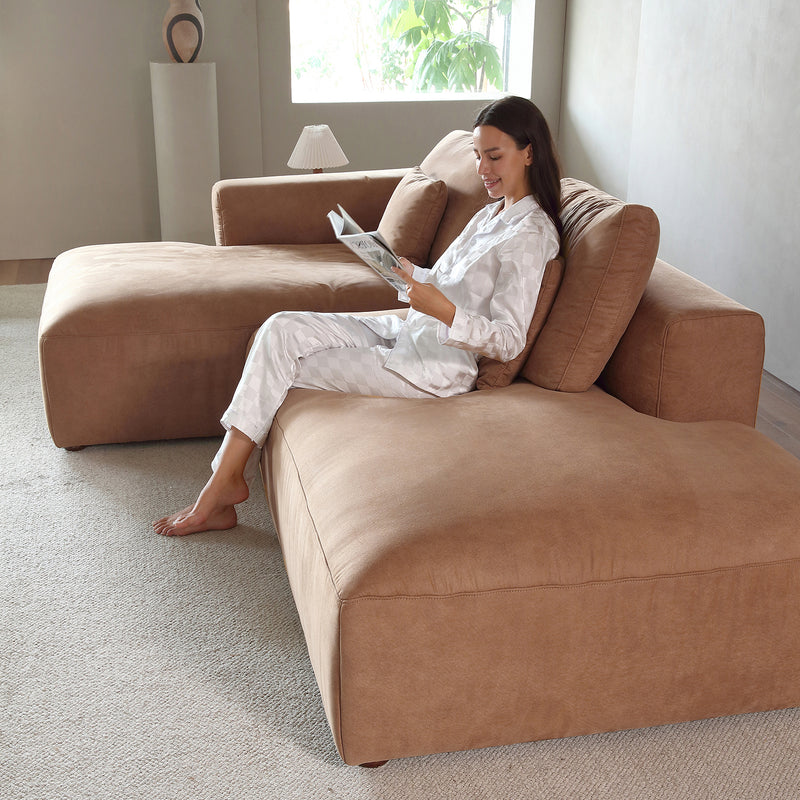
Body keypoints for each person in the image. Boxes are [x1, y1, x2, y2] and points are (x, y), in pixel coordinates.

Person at [152, 95, 562, 537]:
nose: (483, 169)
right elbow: (451, 279)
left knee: (290, 366)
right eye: (478, 156)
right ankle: (225, 481)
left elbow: (508, 338)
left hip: (434, 368)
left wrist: (441, 309)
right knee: (279, 328)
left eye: (494, 157)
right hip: (406, 329)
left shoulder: (530, 234)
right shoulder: (489, 214)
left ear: (529, 152)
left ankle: (219, 490)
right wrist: (408, 271)